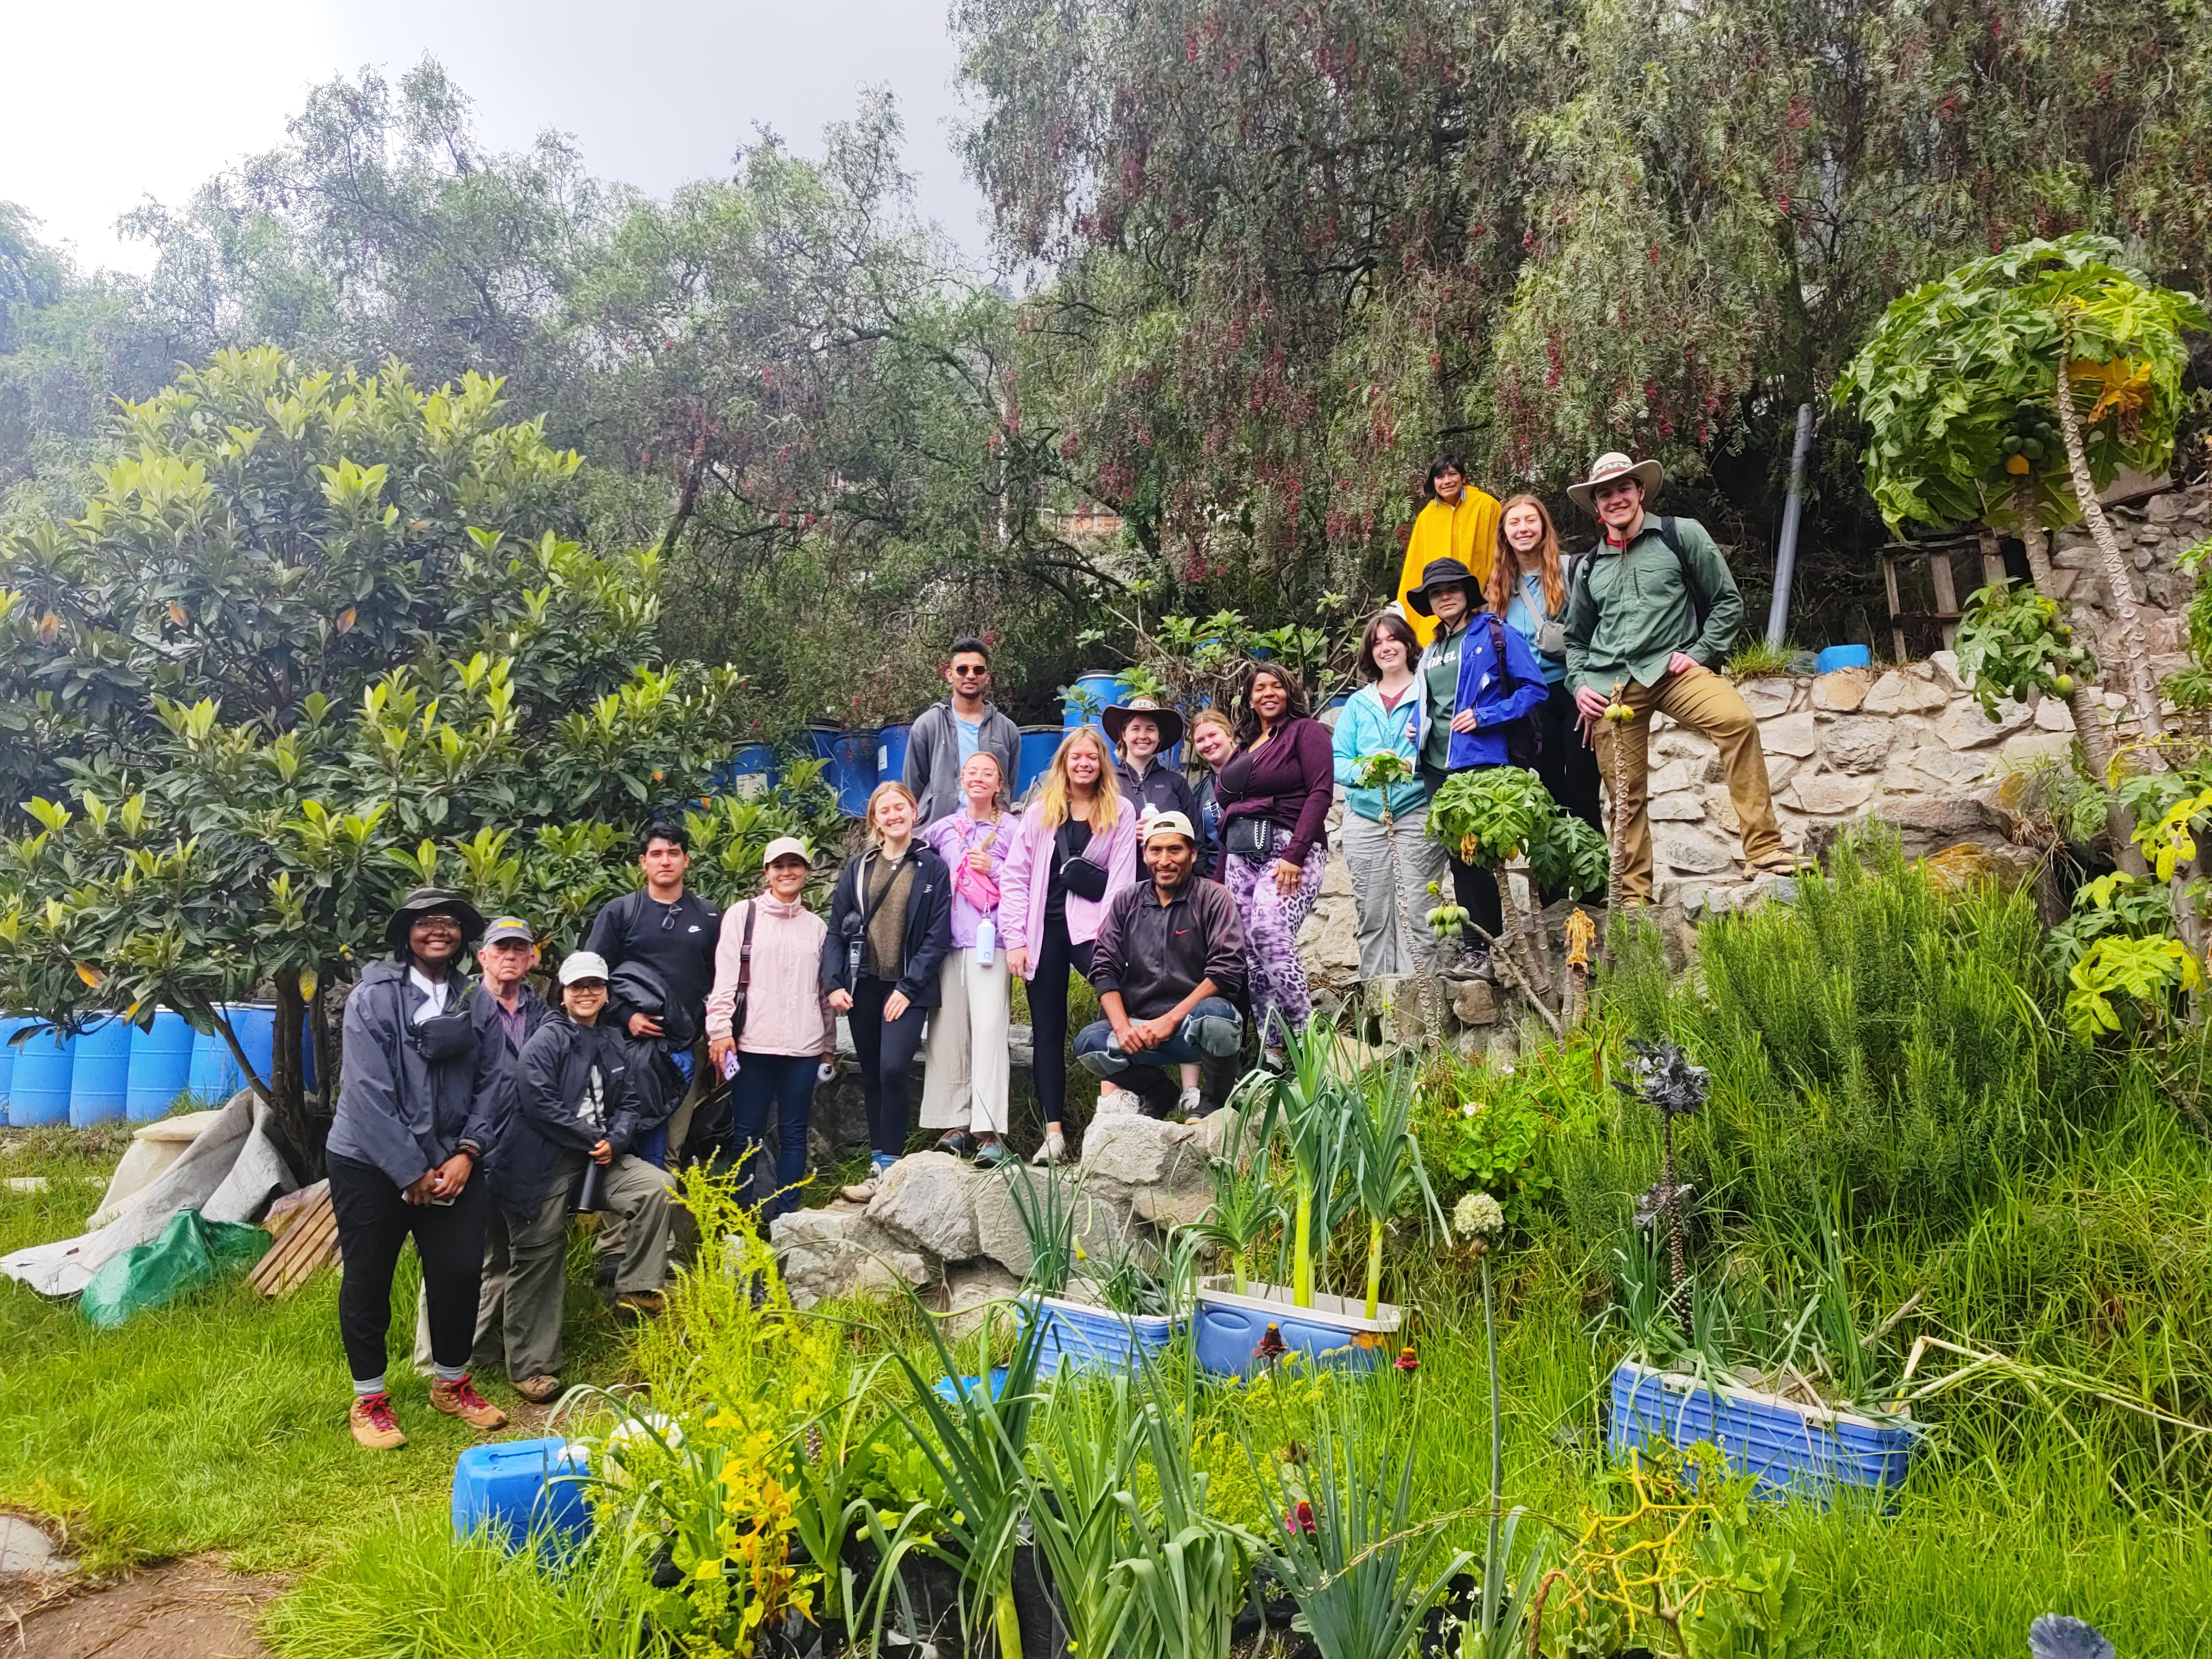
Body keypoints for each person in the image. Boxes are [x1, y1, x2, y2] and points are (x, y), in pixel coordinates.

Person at [1562, 451, 1792, 905]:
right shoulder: (1588, 566)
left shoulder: (1680, 535)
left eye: (1623, 488)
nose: (1615, 499)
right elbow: (1576, 640)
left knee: (1737, 722)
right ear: (1597, 505)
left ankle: (1765, 851)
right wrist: (1580, 684)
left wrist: (1700, 653)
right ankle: (1635, 896)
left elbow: (1727, 601)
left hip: (1673, 670)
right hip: (1612, 686)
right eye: (1605, 494)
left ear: (1640, 492)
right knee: (1624, 793)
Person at [327, 887, 508, 1451]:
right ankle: (370, 1399)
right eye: (426, 921)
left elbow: (495, 1081)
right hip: (369, 1162)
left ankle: (452, 1385)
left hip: (454, 1162)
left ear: (462, 936)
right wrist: (409, 1172)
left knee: (458, 1272)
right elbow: (366, 1094)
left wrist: (467, 1152)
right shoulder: (373, 998)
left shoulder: (475, 1000)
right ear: (406, 934)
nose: (439, 930)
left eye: (449, 922)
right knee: (369, 1277)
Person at [497, 951, 682, 1401]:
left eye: (595, 985)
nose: (586, 993)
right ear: (562, 993)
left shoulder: (614, 1041)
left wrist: (615, 1140)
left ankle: (636, 1288)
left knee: (657, 1187)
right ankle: (532, 1366)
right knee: (539, 1257)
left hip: (600, 1159)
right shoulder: (547, 1040)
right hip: (543, 1161)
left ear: (606, 993)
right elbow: (537, 1102)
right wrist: (588, 1137)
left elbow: (632, 1104)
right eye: (577, 986)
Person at [411, 914, 550, 1381]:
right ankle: (429, 1364)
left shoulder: (543, 1014)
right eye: (501, 949)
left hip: (521, 1153)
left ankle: (477, 1350)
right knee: (451, 1258)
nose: (511, 957)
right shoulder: (458, 1007)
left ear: (532, 958)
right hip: (464, 1151)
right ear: (482, 957)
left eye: (519, 949)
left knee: (503, 1256)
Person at [1406, 555, 1552, 975]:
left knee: (1479, 859)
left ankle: (1487, 953)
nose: (1444, 597)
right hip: (1437, 768)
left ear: (1467, 593)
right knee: (1459, 859)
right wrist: (1416, 725)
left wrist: (1486, 716)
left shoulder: (1494, 632)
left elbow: (1535, 689)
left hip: (1479, 763)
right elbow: (1431, 702)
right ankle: (1477, 952)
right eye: (1436, 592)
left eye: (1451, 588)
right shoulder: (1431, 650)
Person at [999, 726, 1137, 1164]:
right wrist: (1015, 940)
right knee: (1047, 1031)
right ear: (1063, 763)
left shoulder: (1120, 810)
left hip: (1094, 930)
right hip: (1043, 931)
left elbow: (1121, 881)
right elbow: (1015, 878)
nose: (1084, 763)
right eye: (1076, 757)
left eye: (1092, 757)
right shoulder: (1041, 813)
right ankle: (1053, 1133)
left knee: (1116, 1001)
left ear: (1102, 764)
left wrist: (1112, 938)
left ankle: (1109, 1104)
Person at [823, 782, 953, 1201]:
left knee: (894, 1068)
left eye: (901, 807)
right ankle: (878, 1165)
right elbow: (836, 929)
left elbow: (938, 935)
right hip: (864, 984)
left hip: (907, 987)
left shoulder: (932, 867)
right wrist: (834, 983)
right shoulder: (860, 867)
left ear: (914, 812)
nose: (894, 815)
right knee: (873, 1074)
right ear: (875, 820)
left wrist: (909, 988)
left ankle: (892, 1163)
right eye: (885, 810)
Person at [704, 838, 839, 1218]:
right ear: (767, 872)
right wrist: (719, 1031)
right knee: (746, 1134)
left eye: (795, 864)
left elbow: (823, 992)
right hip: (752, 1044)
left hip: (804, 1047)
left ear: (806, 871)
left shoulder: (817, 927)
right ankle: (739, 1220)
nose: (787, 872)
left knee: (794, 1133)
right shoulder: (742, 916)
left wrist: (829, 1046)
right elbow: (725, 980)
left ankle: (786, 1219)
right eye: (779, 865)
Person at [1075, 813, 1246, 1109]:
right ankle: (1158, 1094)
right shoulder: (1127, 900)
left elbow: (1227, 969)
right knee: (1090, 1045)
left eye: (1175, 850)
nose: (1164, 861)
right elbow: (1103, 968)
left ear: (1193, 854)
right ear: (1145, 855)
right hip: (1140, 1027)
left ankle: (1214, 1102)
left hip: (1195, 1024)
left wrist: (1170, 1021)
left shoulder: (1214, 897)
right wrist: (1123, 1029)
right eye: (1156, 850)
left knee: (1220, 1019)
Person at [1211, 664, 1333, 1062]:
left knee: (1269, 933)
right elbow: (1228, 815)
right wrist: (1218, 882)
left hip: (1289, 848)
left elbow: (1320, 792)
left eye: (1276, 686)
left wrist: (1296, 854)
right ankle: (1272, 1051)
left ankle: (1309, 1037)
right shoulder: (1245, 746)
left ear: (1289, 691)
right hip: (1240, 854)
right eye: (1260, 687)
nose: (1268, 693)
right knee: (1250, 951)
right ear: (1249, 698)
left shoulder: (1305, 731)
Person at [584, 821, 721, 1165]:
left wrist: (717, 1034)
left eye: (673, 853)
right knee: (625, 1138)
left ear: (687, 860)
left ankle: (665, 1198)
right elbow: (592, 976)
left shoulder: (708, 914)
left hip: (688, 1045)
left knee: (673, 1145)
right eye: (656, 854)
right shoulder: (620, 912)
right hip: (629, 1046)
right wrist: (626, 1015)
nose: (665, 861)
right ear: (643, 862)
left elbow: (720, 980)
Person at [1332, 613, 1451, 980]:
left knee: (1420, 910)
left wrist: (1414, 758)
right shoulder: (1358, 703)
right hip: (1365, 817)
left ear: (1408, 644)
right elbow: (1337, 759)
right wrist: (1364, 770)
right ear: (1370, 652)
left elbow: (1447, 744)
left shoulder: (1428, 692)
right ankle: (1378, 1002)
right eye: (1377, 643)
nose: (1386, 648)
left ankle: (1421, 1001)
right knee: (1372, 914)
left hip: (1417, 809)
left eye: (1393, 639)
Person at [919, 753, 1017, 1167]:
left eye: (987, 773)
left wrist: (993, 867)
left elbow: (1025, 881)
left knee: (990, 1030)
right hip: (948, 943)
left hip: (993, 942)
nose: (978, 778)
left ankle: (988, 1130)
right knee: (947, 1032)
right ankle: (954, 1124)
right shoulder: (942, 829)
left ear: (999, 784)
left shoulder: (1012, 829)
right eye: (971, 772)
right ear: (961, 780)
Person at [1488, 493, 1604, 839]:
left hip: (1574, 692)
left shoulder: (1571, 571)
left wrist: (1594, 691)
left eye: (1530, 520)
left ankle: (1594, 873)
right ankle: (1557, 875)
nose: (1523, 529)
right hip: (1531, 702)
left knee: (1584, 793)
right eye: (1514, 523)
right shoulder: (1497, 587)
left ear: (1543, 526)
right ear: (1504, 533)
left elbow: (1598, 632)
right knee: (1549, 796)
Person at [903, 637, 1022, 827]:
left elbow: (1008, 785)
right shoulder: (928, 725)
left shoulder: (1007, 730)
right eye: (962, 669)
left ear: (987, 677)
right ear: (950, 675)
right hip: (938, 831)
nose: (971, 675)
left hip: (991, 831)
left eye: (978, 670)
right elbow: (913, 787)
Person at [1395, 456, 1501, 648]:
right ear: (1433, 482)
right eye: (1440, 477)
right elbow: (1415, 566)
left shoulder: (1486, 506)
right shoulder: (1427, 518)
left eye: (1453, 474)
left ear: (1463, 478)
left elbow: (1501, 552)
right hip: (1440, 604)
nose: (1447, 481)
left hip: (1482, 601)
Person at [1103, 697, 1201, 825]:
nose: (1143, 736)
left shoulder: (1176, 783)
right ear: (1124, 735)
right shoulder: (1108, 781)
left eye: (1150, 729)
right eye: (1136, 729)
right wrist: (1128, 832)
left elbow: (1195, 833)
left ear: (1160, 736)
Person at [1187, 706, 1237, 867]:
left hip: (1257, 868)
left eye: (1213, 735)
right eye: (1200, 740)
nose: (1208, 744)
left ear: (1229, 735)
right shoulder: (1200, 791)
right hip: (1214, 874)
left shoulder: (1256, 773)